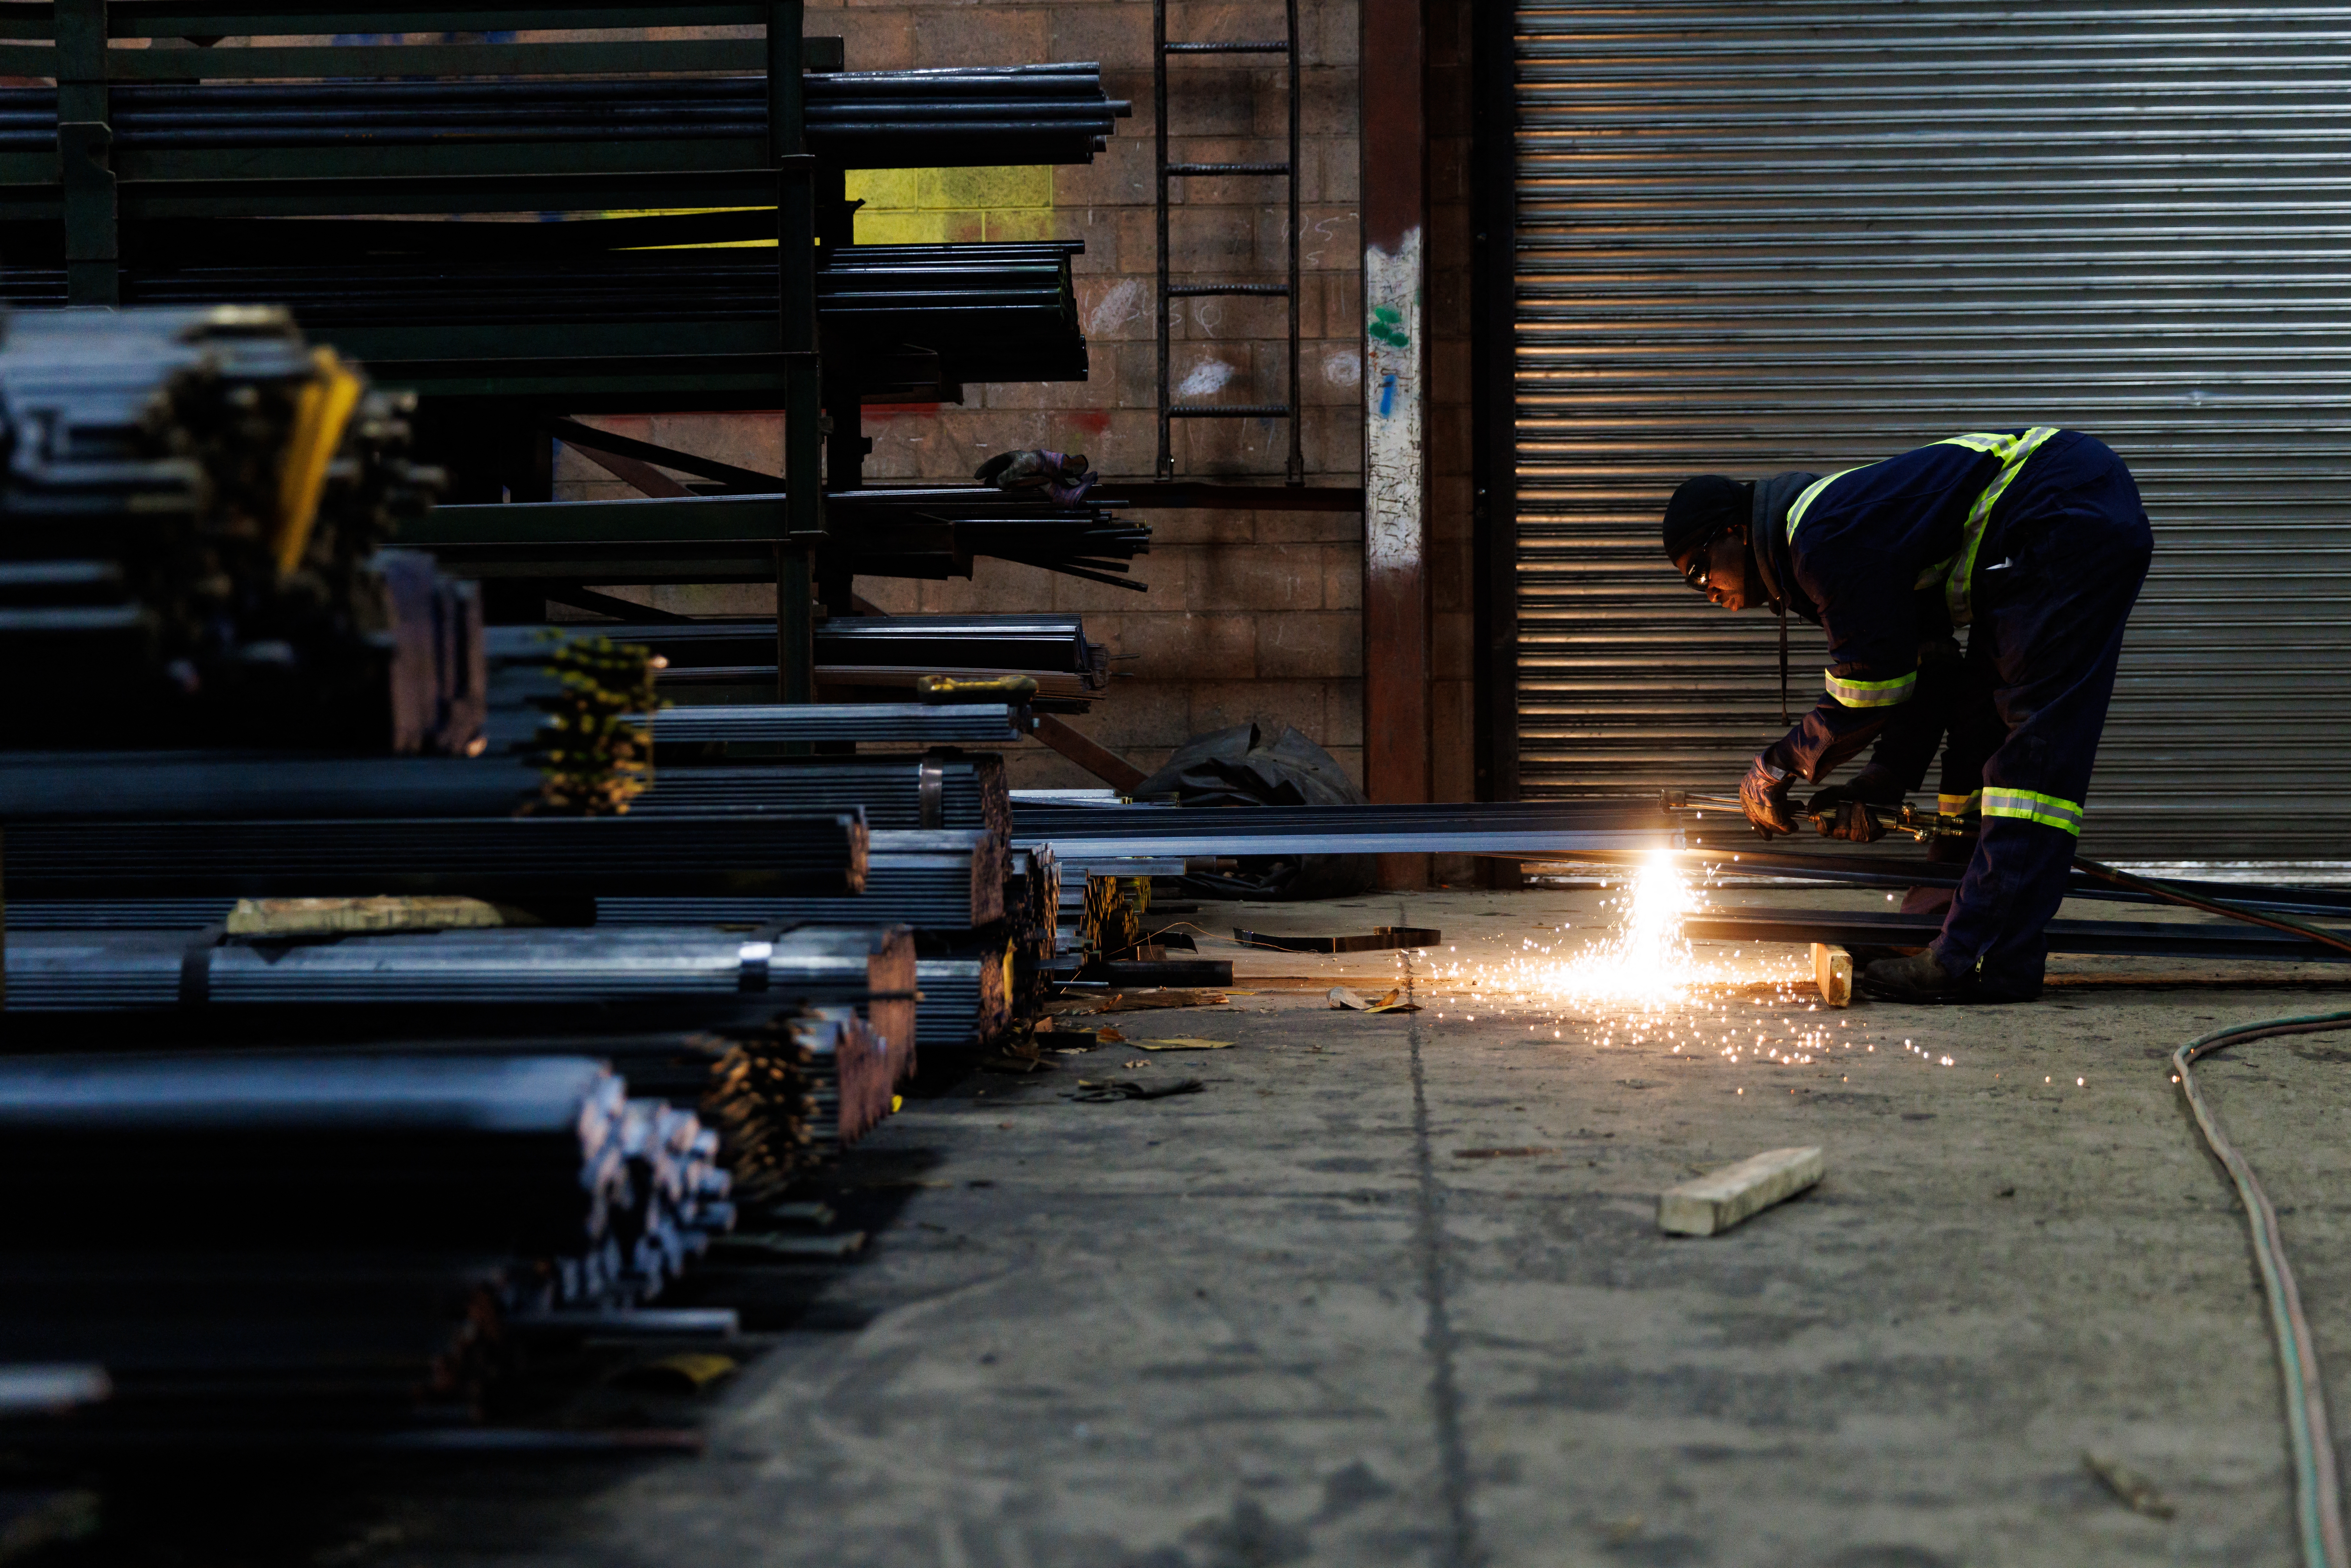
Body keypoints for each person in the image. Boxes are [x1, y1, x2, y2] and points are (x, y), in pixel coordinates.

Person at [1660, 429, 2153, 1003]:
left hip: (2064, 514)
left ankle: (1983, 957)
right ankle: (1934, 929)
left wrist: (1778, 764)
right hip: (2038, 529)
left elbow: (1870, 687)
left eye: (1700, 569)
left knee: (2030, 760)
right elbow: (1930, 671)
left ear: (1734, 532)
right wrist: (1884, 781)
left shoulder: (1819, 538)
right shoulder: (1826, 542)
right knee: (1976, 732)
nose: (1706, 590)